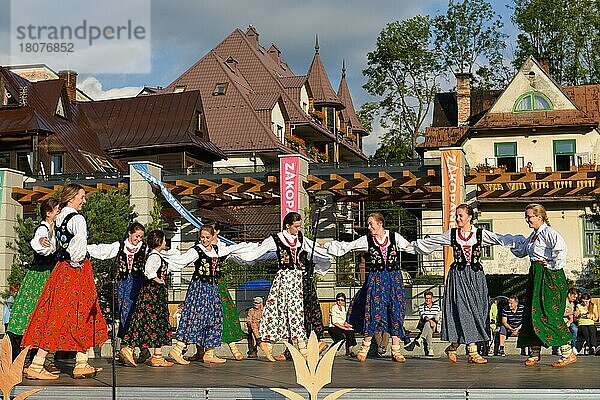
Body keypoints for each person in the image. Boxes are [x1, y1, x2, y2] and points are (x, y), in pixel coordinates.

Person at [412, 203, 521, 364]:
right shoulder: (452, 234)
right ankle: (472, 351)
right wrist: (411, 246)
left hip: (476, 277)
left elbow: (500, 238)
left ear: (469, 217)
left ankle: (454, 346)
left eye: (460, 215)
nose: (457, 218)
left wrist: (520, 242)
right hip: (458, 276)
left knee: (477, 311)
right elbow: (433, 241)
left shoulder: (479, 234)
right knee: (464, 311)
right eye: (456, 215)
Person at [22, 184, 108, 379]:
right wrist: (78, 262)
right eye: (82, 197)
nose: (84, 201)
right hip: (76, 270)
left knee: (76, 313)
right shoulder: (77, 219)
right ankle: (36, 365)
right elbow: (78, 247)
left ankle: (81, 362)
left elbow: (55, 246)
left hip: (61, 269)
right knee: (68, 314)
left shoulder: (59, 218)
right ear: (71, 199)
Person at [233, 211, 332, 361]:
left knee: (296, 314)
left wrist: (329, 248)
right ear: (288, 225)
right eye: (296, 226)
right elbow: (258, 252)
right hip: (284, 278)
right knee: (277, 310)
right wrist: (240, 255)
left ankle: (300, 350)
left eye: (299, 226)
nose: (298, 229)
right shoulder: (276, 239)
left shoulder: (300, 238)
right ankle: (269, 345)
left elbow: (315, 247)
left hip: (296, 279)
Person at [325, 212, 412, 363]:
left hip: (393, 280)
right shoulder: (367, 240)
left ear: (380, 224)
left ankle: (396, 351)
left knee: (395, 312)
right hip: (377, 280)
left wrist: (427, 244)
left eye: (371, 224)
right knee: (374, 312)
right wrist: (327, 246)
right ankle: (364, 348)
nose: (369, 227)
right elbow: (348, 247)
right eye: (369, 224)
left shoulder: (394, 237)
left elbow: (410, 247)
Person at [166, 225, 256, 364]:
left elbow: (234, 248)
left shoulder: (216, 250)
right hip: (200, 288)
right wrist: (165, 263)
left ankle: (209, 353)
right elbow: (181, 262)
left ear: (213, 236)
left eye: (207, 237)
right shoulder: (196, 251)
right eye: (202, 237)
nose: (205, 240)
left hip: (212, 288)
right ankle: (177, 349)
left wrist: (254, 246)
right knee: (196, 317)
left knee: (214, 318)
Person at [509, 203, 575, 367]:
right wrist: (508, 242)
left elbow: (561, 249)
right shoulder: (533, 235)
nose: (527, 219)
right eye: (527, 216)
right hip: (536, 274)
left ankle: (568, 353)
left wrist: (552, 265)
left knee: (549, 313)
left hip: (549, 276)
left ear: (540, 217)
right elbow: (521, 251)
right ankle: (535, 352)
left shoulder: (549, 233)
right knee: (533, 312)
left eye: (530, 216)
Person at [6, 199, 59, 372]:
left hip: (50, 274)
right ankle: (25, 359)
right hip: (40, 275)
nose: (58, 212)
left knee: (49, 316)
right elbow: (38, 243)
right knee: (31, 314)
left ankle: (43, 359)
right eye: (57, 209)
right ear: (48, 213)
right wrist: (43, 243)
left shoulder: (54, 229)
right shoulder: (43, 230)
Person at [86, 222, 148, 366]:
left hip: (137, 285)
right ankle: (137, 349)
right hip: (123, 283)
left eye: (141, 237)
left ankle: (130, 348)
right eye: (137, 236)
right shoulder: (119, 246)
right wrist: (83, 247)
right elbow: (102, 251)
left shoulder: (144, 248)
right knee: (124, 313)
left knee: (134, 314)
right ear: (129, 233)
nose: (138, 239)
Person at [118, 230, 174, 367]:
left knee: (149, 321)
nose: (165, 243)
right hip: (153, 294)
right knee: (152, 321)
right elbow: (149, 271)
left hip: (152, 294)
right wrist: (157, 279)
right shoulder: (154, 256)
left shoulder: (154, 254)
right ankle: (135, 350)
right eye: (164, 240)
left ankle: (155, 354)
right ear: (159, 242)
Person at [405, 291, 441, 357]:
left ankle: (421, 338)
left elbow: (439, 317)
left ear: (432, 298)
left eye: (429, 298)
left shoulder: (437, 307)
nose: (428, 300)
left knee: (428, 325)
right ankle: (430, 349)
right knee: (428, 327)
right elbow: (424, 316)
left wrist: (434, 323)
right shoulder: (421, 307)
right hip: (426, 325)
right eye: (426, 298)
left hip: (435, 326)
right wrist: (430, 321)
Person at [328, 292, 357, 357]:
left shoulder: (343, 308)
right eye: (338, 300)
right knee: (341, 338)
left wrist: (347, 326)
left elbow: (343, 320)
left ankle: (350, 351)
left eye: (342, 300)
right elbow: (334, 322)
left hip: (341, 326)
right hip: (334, 327)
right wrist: (344, 328)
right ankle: (331, 350)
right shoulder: (334, 307)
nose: (340, 302)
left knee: (350, 332)